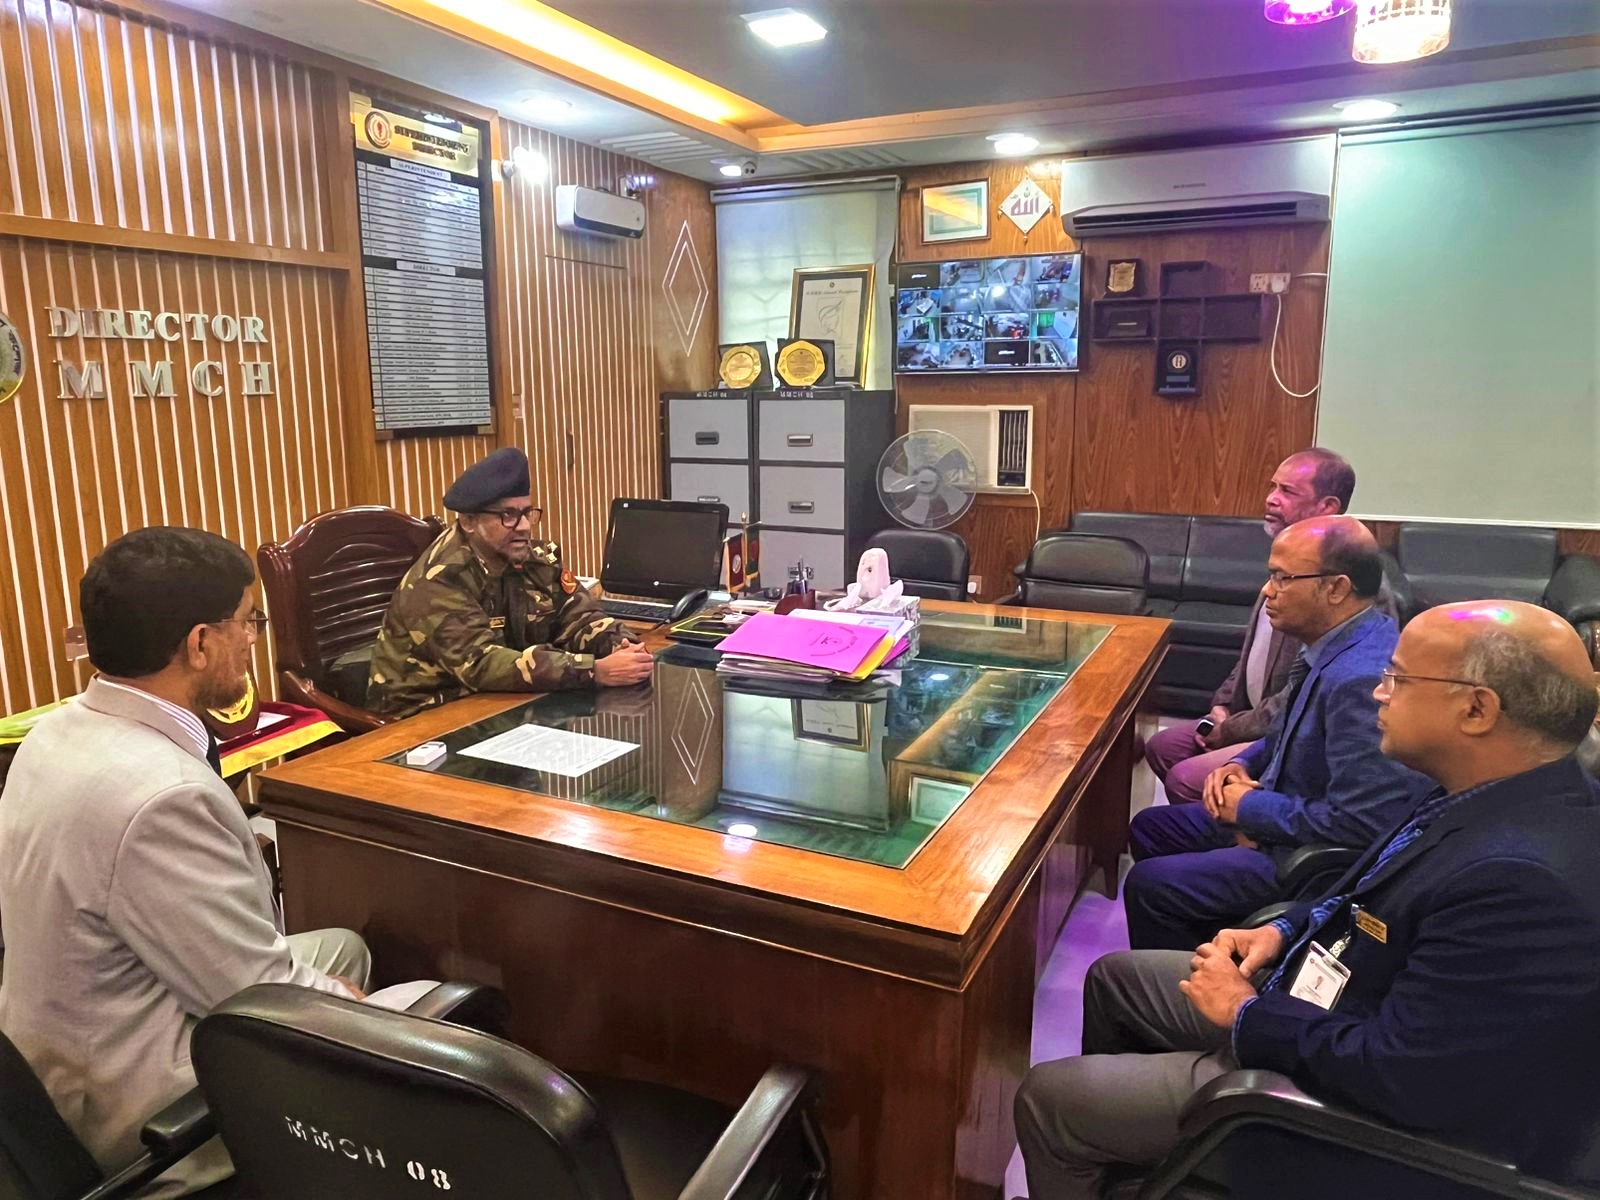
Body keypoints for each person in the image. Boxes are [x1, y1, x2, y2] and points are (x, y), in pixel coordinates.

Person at [1015, 600, 1600, 1200]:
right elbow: (1366, 891)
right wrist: (1285, 930)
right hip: (1314, 991)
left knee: (1050, 1099)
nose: (1378, 693)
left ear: (1476, 709)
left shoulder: (1523, 884)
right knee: (1116, 979)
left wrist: (1245, 1013)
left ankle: (1160, 1141)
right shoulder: (1482, 789)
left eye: (1398, 679)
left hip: (1339, 1111)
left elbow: (1402, 1077)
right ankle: (1148, 1165)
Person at [0, 528, 434, 1196]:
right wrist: (350, 1007)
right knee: (431, 1009)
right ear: (200, 644)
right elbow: (257, 994)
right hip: (133, 1108)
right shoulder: (162, 797)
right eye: (248, 622)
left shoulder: (55, 731)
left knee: (344, 948)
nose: (253, 639)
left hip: (62, 1047)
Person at [1123, 517, 1428, 950]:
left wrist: (1249, 808)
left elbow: (1361, 823)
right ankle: (1213, 942)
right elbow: (1290, 729)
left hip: (1306, 858)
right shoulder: (1336, 641)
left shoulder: (1361, 678)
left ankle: (1207, 983)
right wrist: (1240, 763)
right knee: (1151, 828)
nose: (1268, 590)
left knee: (1150, 884)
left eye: (1282, 578)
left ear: (1335, 588)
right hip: (1279, 809)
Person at [367, 447, 654, 718]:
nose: (524, 526)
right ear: (469, 522)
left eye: (527, 513)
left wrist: (620, 643)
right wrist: (594, 670)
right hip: (427, 719)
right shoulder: (440, 580)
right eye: (508, 515)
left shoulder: (532, 559)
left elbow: (578, 617)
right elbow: (480, 663)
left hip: (503, 704)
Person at [1145, 448, 1357, 804]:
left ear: (1327, 507)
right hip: (1245, 717)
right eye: (1273, 487)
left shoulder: (1339, 584)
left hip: (1285, 734)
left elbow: (1301, 695)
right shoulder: (1287, 557)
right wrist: (1222, 705)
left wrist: (1230, 730)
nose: (1271, 498)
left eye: (1287, 491)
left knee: (1185, 780)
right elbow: (1252, 654)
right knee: (1163, 746)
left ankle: (1235, 828)